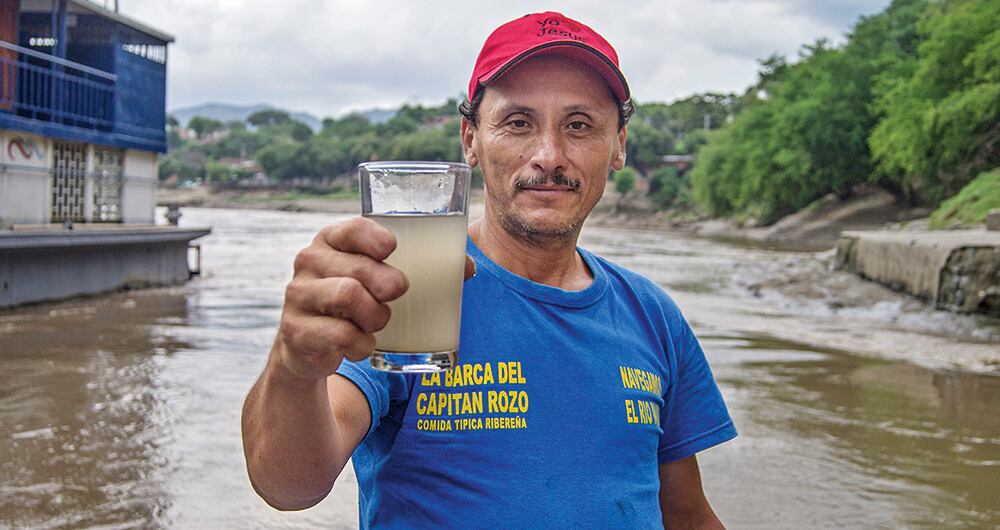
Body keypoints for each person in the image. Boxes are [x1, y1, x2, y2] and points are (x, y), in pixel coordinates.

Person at [242, 11, 736, 529]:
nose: (549, 156)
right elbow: (288, 485)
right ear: (470, 139)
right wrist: (293, 366)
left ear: (619, 145)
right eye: (518, 122)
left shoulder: (651, 314)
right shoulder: (408, 289)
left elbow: (688, 517)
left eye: (579, 125)